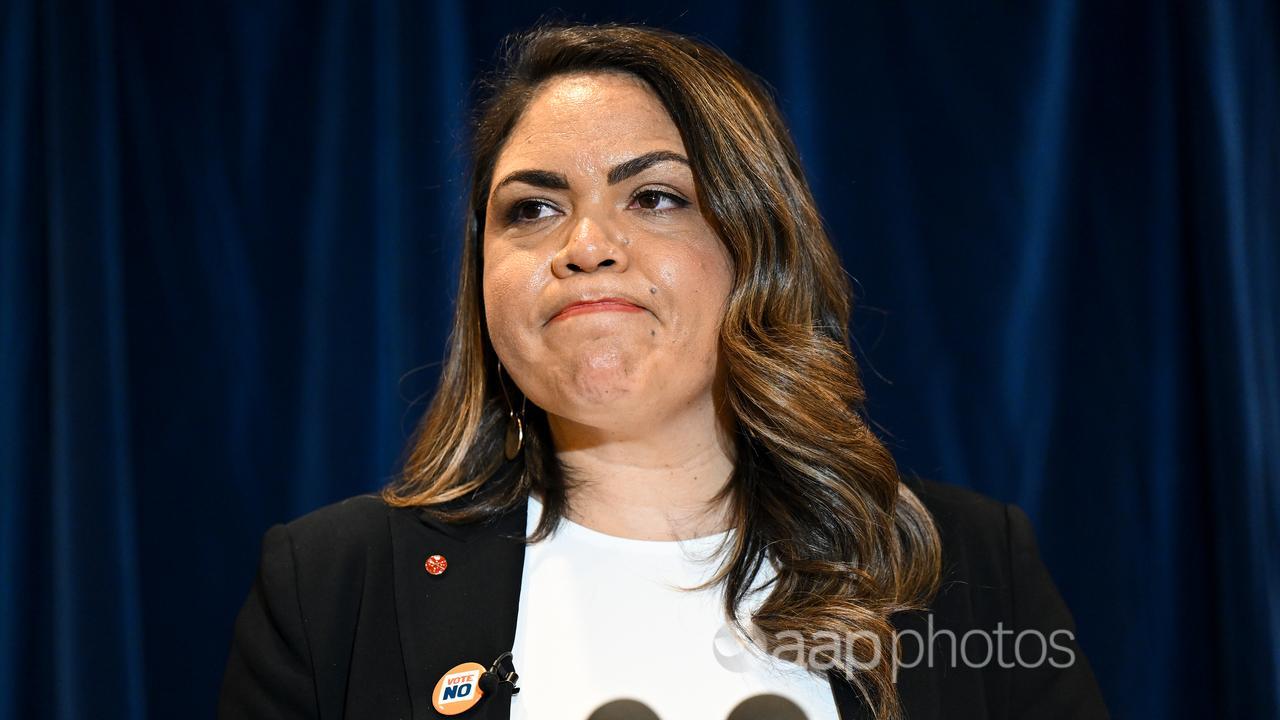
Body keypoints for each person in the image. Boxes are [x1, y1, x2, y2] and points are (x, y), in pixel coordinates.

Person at [218, 23, 1109, 720]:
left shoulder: (965, 572)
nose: (587, 246)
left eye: (654, 198)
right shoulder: (333, 588)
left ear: (757, 249)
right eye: (532, 208)